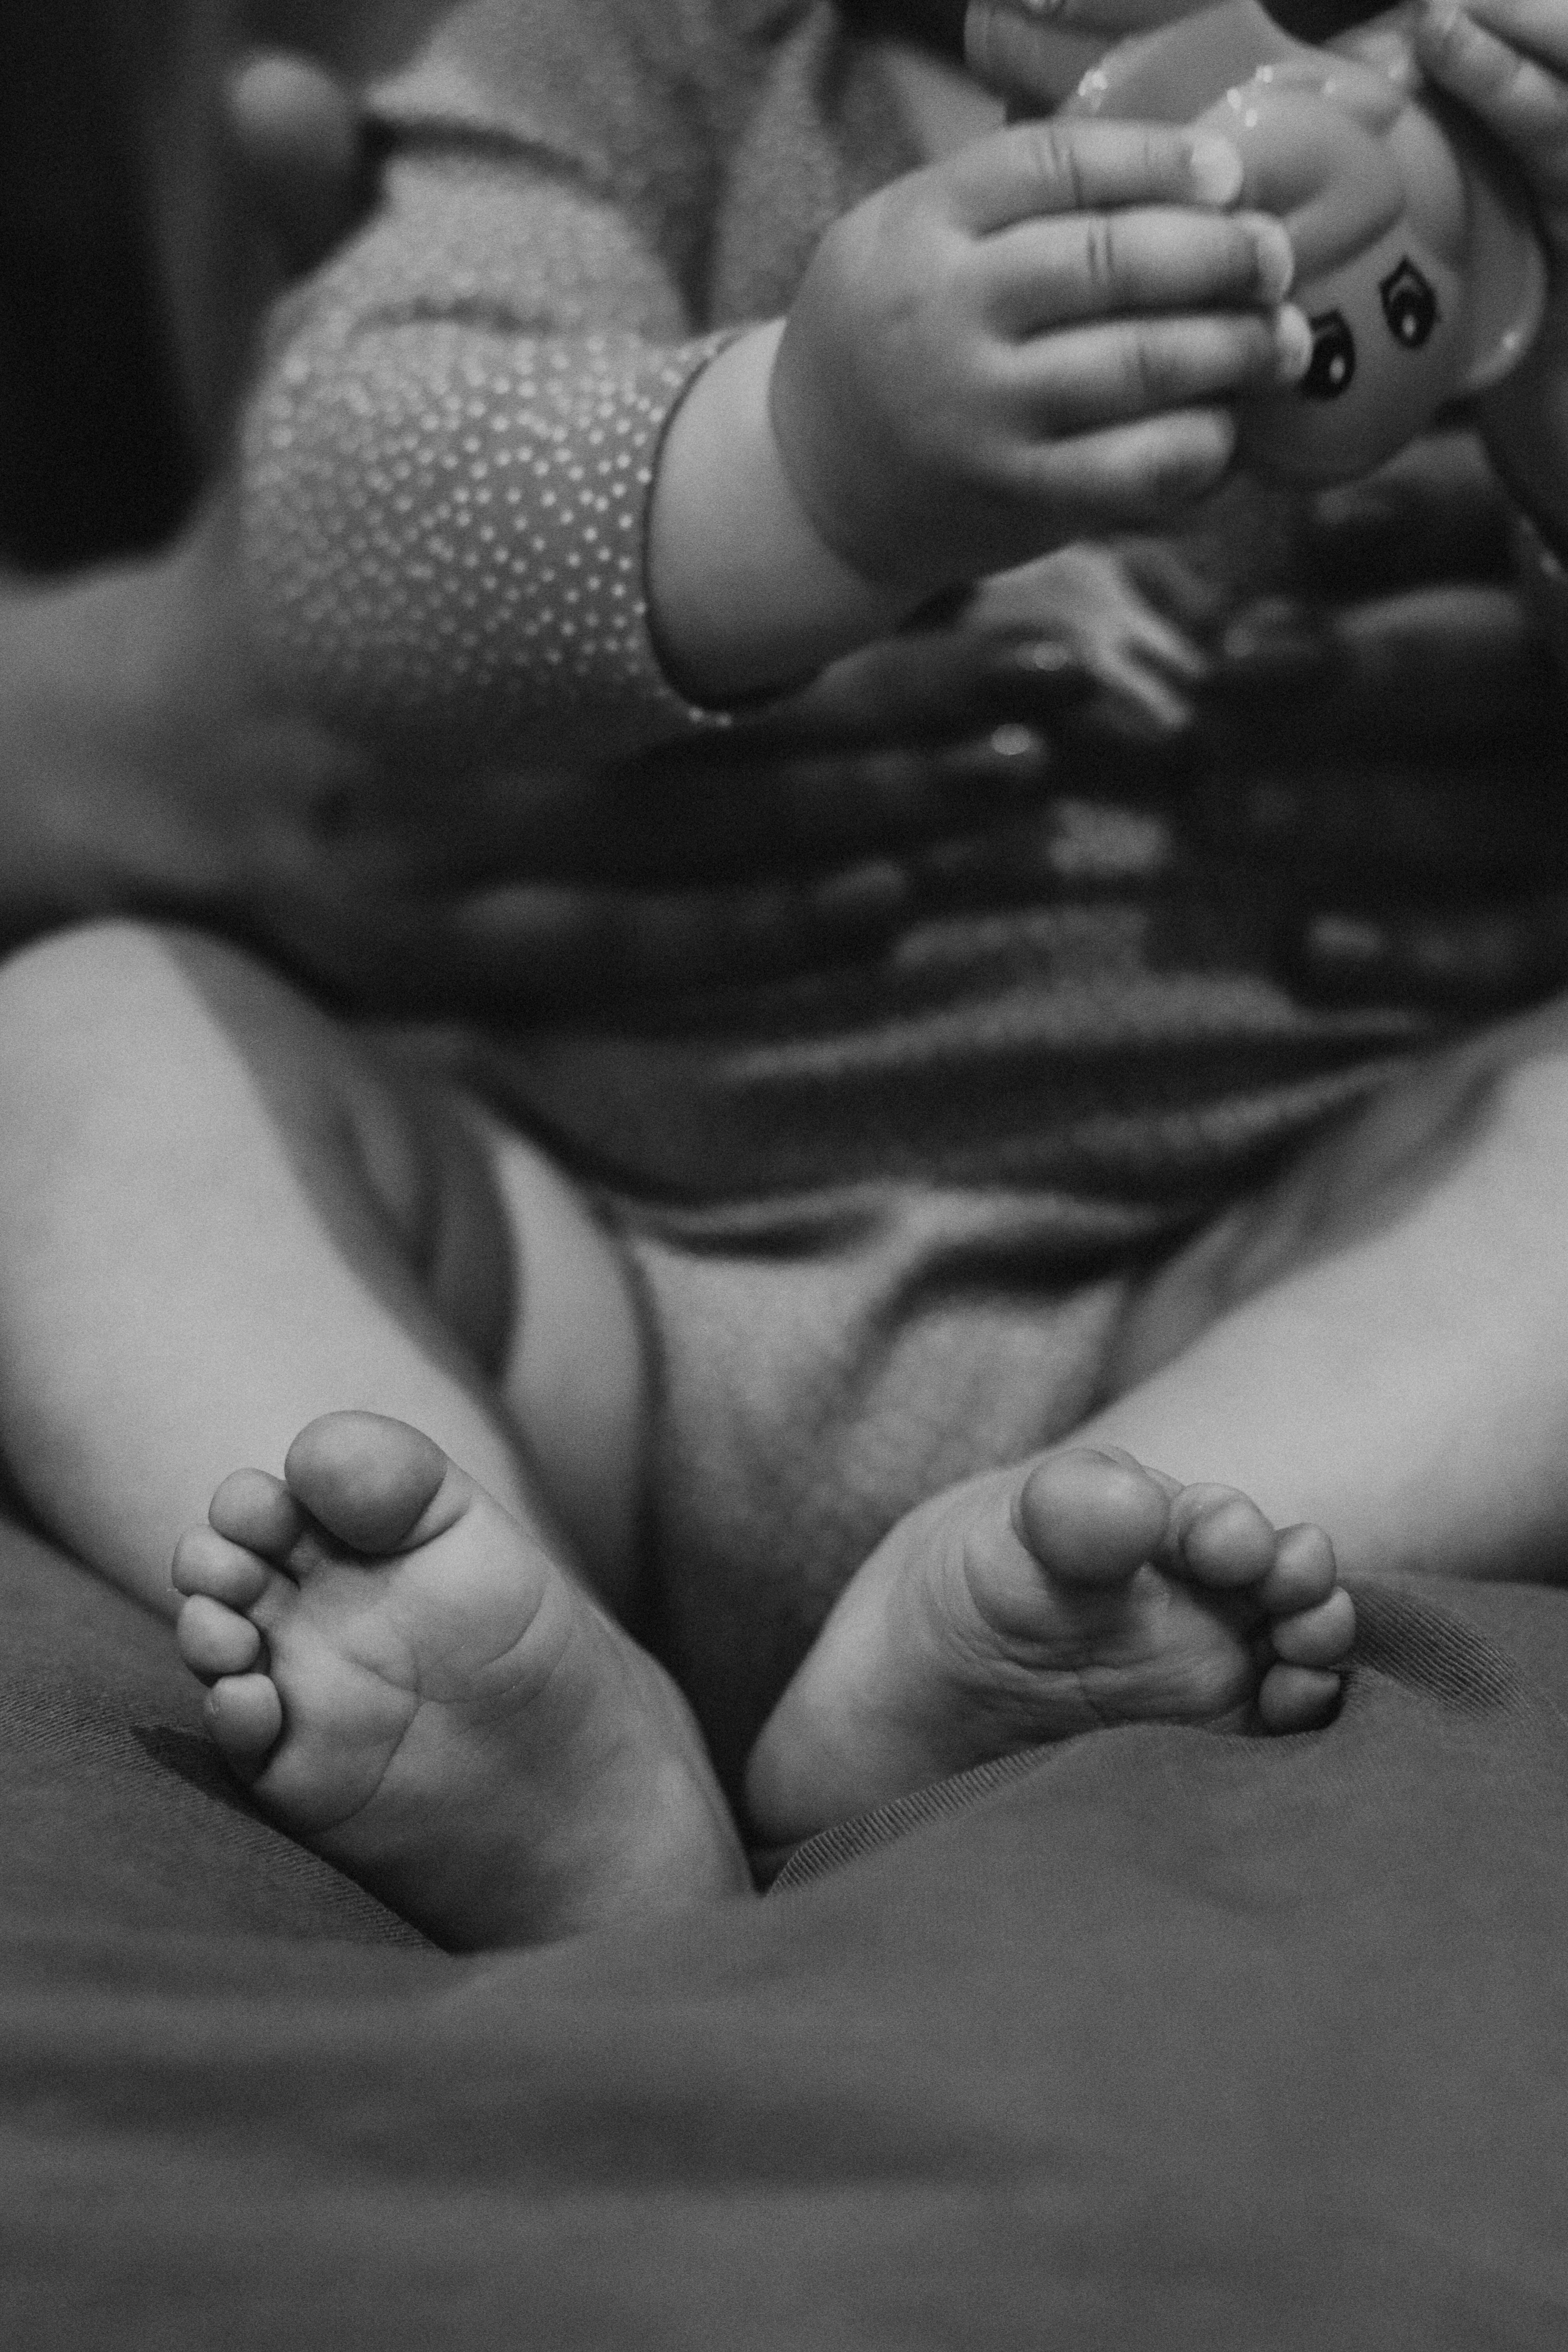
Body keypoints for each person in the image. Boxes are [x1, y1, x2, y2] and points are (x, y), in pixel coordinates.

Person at [0, 0, 1558, 1950]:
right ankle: (509, 1661)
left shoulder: (1508, 107)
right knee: (81, 1038)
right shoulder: (629, 64)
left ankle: (1031, 1607)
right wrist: (807, 461)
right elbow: (350, 530)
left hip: (1272, 1286)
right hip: (603, 1275)